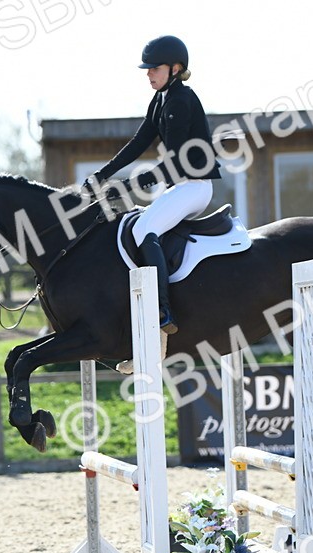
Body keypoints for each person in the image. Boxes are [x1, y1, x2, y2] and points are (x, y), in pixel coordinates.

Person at [83, 35, 221, 335]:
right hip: (182, 186)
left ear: (175, 68)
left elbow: (172, 163)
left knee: (145, 229)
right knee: (136, 224)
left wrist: (125, 187)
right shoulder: (160, 99)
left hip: (196, 187)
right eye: (147, 69)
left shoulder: (181, 100)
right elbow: (138, 143)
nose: (148, 73)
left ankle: (162, 309)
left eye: (154, 68)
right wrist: (103, 174)